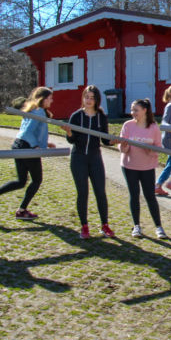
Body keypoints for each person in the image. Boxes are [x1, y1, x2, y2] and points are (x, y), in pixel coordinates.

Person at [0, 87, 57, 220]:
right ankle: (22, 210)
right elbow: (28, 132)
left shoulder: (32, 110)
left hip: (18, 145)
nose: (52, 101)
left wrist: (45, 144)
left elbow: (28, 132)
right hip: (27, 147)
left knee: (21, 181)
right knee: (37, 180)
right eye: (50, 98)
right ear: (44, 99)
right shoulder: (39, 112)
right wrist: (35, 146)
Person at [63, 85, 116, 239]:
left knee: (100, 192)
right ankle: (84, 226)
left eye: (92, 97)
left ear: (96, 100)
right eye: (86, 97)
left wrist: (114, 142)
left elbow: (105, 140)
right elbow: (71, 140)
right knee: (83, 193)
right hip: (79, 158)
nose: (89, 100)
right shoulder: (76, 116)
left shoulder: (101, 117)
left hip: (95, 158)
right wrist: (69, 133)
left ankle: (105, 225)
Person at [120, 99, 168, 239]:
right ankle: (136, 226)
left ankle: (158, 226)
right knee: (134, 195)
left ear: (145, 110)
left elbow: (159, 147)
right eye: (132, 110)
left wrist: (150, 150)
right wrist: (124, 146)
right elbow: (122, 147)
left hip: (147, 167)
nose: (132, 113)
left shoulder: (153, 127)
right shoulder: (127, 125)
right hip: (129, 166)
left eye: (136, 110)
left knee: (150, 196)